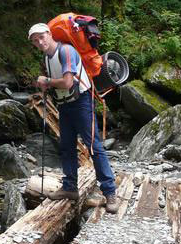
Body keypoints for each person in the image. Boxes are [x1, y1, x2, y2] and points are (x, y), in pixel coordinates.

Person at [28, 22, 118, 213]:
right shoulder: (47, 57)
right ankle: (70, 188)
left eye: (41, 37)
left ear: (49, 34)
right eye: (35, 41)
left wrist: (47, 82)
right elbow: (57, 84)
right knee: (66, 145)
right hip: (65, 104)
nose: (39, 42)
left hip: (81, 101)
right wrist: (47, 84)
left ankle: (110, 193)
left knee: (93, 145)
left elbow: (68, 82)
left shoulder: (66, 51)